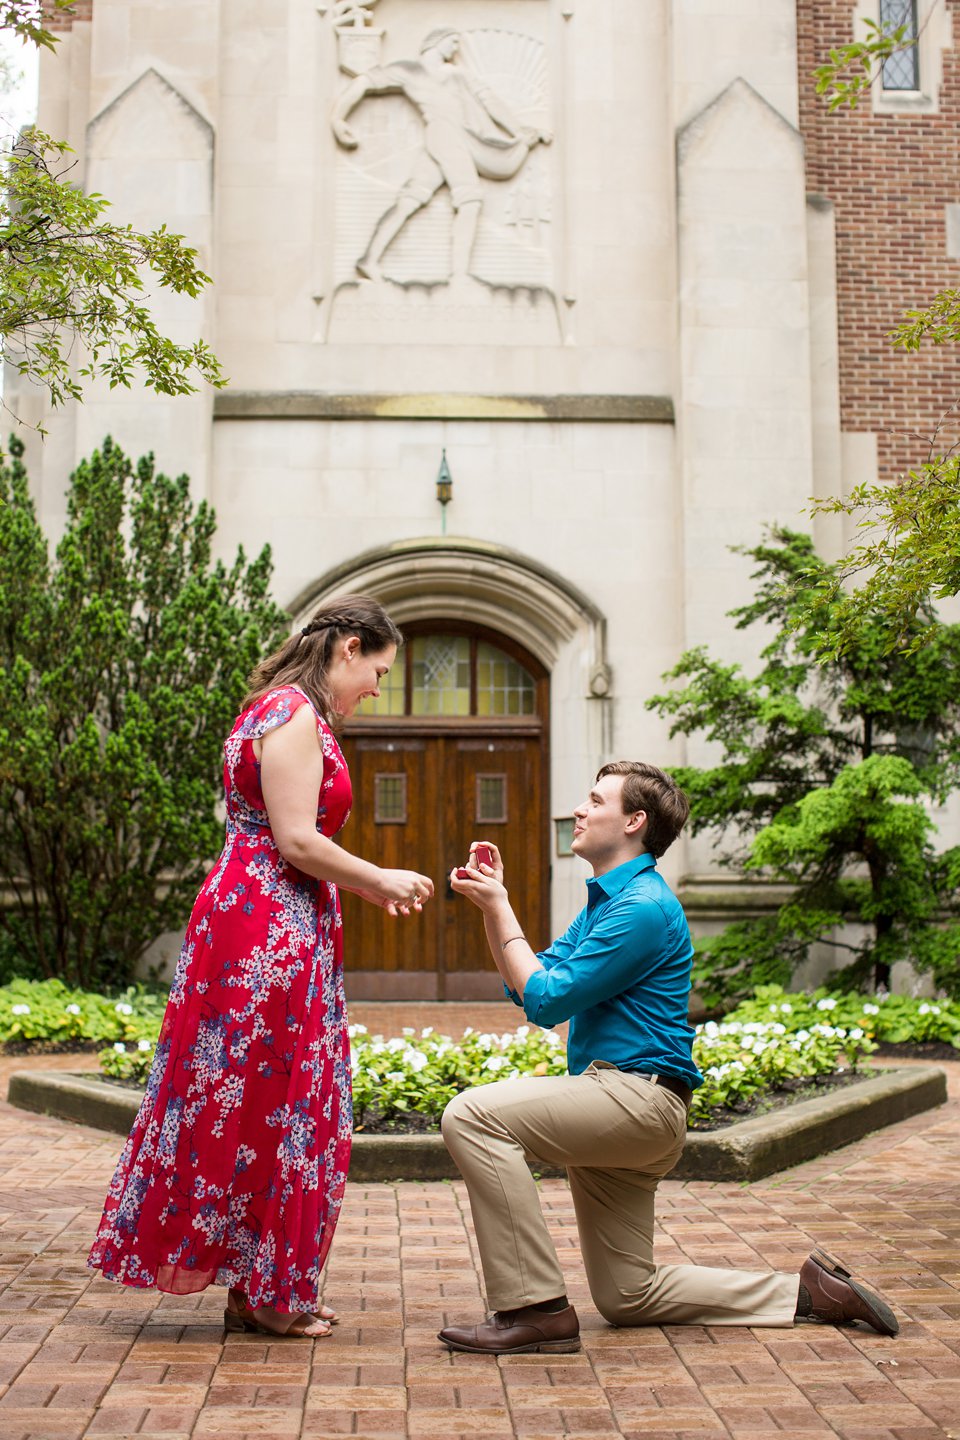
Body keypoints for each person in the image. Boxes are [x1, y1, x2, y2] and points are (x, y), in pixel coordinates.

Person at [439, 761, 899, 1355]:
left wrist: (499, 911)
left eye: (593, 800)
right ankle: (807, 1294)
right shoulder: (610, 902)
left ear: (634, 821)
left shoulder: (643, 908)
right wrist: (493, 907)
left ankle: (533, 1308)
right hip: (626, 1103)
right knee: (628, 1296)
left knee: (472, 1116)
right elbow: (535, 979)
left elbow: (546, 1000)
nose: (579, 810)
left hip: (636, 1099)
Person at [88, 595, 434, 1339]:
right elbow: (298, 841)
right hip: (264, 930)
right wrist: (382, 879)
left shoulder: (275, 709)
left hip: (266, 919)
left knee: (256, 1100)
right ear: (347, 647)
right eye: (378, 669)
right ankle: (272, 1290)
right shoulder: (294, 713)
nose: (377, 687)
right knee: (281, 1102)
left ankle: (262, 1283)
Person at [331, 27, 551, 283]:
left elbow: (490, 102)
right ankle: (459, 275)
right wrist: (338, 118)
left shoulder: (457, 74)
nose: (456, 48)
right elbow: (363, 82)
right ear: (437, 42)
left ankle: (368, 260)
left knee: (410, 199)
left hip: (451, 137)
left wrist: (519, 130)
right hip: (445, 136)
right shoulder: (408, 70)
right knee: (469, 201)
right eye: (453, 41)